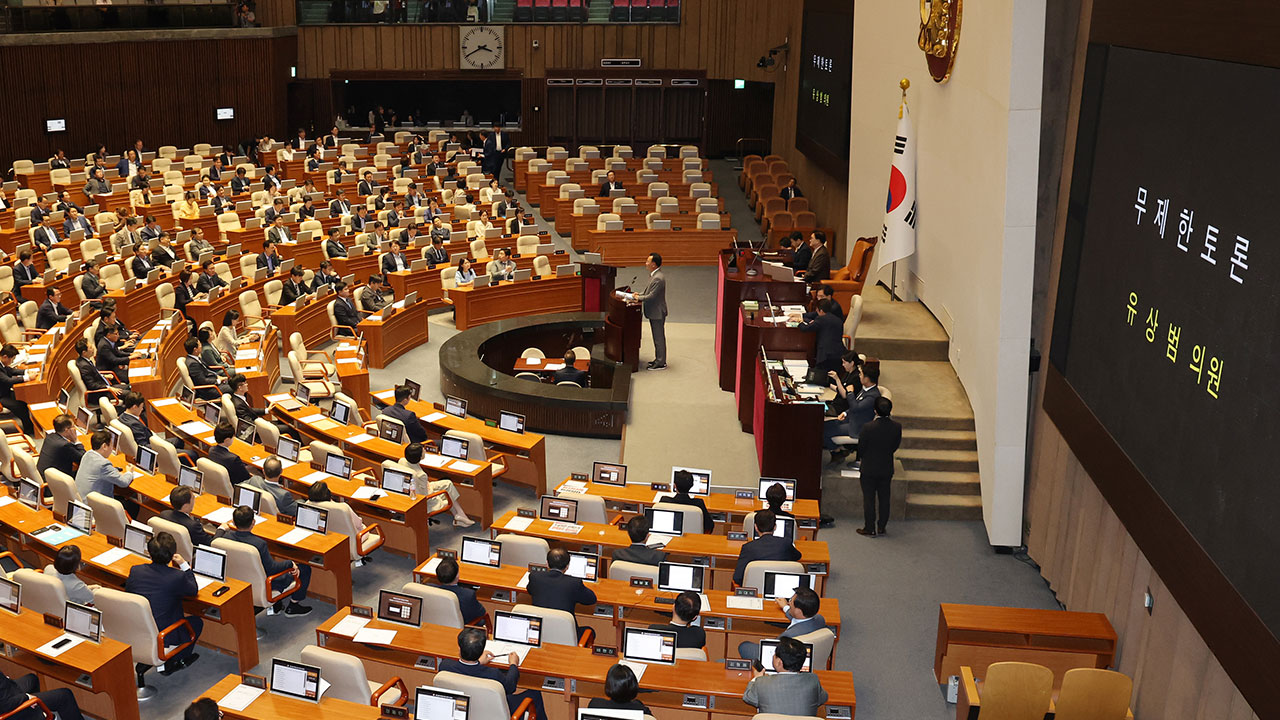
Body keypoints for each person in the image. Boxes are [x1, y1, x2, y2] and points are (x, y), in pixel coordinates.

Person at [125, 532, 203, 673]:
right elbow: (193, 590)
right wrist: (184, 565)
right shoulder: (176, 576)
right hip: (164, 635)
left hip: (138, 629)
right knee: (197, 622)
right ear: (173, 553)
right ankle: (175, 660)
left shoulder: (136, 571)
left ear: (150, 553)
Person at [216, 506, 313, 616]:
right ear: (253, 522)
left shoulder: (224, 539)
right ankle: (293, 606)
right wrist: (290, 563)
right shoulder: (259, 543)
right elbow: (272, 569)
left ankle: (277, 605)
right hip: (266, 583)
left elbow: (214, 541)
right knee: (304, 568)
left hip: (239, 581)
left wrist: (221, 529)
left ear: (233, 522)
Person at [439, 628, 547, 720]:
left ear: (459, 648)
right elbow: (510, 687)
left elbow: (466, 670)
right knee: (534, 693)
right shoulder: (493, 674)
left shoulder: (445, 666)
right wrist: (513, 664)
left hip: (462, 710)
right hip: (492, 711)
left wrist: (479, 662)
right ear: (482, 651)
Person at [742, 636, 828, 716]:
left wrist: (756, 678)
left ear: (779, 662)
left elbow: (748, 697)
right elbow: (823, 698)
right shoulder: (813, 680)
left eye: (774, 655)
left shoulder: (761, 682)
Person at [737, 586, 828, 661]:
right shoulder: (819, 619)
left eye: (791, 602)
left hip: (781, 657)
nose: (789, 602)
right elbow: (796, 617)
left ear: (799, 611)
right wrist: (785, 607)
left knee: (744, 646)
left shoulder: (788, 637)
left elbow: (773, 653)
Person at [856, 397, 902, 537]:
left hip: (869, 468)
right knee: (884, 498)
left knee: (869, 499)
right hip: (886, 467)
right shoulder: (896, 426)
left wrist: (862, 457)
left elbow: (861, 448)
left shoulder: (868, 427)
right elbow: (895, 446)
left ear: (875, 410)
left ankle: (869, 528)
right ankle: (882, 526)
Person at [400, 442, 476, 527]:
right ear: (420, 457)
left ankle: (460, 515)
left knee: (448, 483)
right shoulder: (422, 475)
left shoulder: (402, 461)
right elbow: (426, 495)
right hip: (425, 499)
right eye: (423, 451)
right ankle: (460, 516)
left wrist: (427, 485)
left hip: (416, 488)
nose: (425, 450)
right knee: (448, 493)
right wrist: (430, 487)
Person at [528, 548, 597, 636]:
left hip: (539, 631)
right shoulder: (574, 583)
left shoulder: (535, 577)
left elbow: (530, 590)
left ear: (547, 563)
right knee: (590, 631)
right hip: (566, 634)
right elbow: (591, 599)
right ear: (567, 566)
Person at [824, 364, 881, 463]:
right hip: (850, 419)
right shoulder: (866, 390)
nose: (859, 376)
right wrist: (845, 413)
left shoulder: (873, 396)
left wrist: (850, 393)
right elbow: (856, 406)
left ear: (867, 378)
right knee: (822, 426)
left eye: (861, 374)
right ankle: (839, 450)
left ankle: (836, 451)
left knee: (823, 432)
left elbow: (855, 407)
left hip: (857, 427)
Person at [732, 510, 802, 586]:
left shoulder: (748, 548)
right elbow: (798, 556)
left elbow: (737, 577)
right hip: (781, 590)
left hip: (755, 591)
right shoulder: (786, 543)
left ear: (756, 527)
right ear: (775, 527)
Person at [75, 429, 136, 514]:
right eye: (111, 445)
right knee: (133, 505)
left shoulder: (87, 454)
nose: (112, 449)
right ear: (104, 446)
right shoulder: (103, 464)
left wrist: (114, 470)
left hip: (81, 502)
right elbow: (124, 482)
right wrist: (129, 472)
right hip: (94, 508)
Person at [626, 253, 667, 370]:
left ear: (653, 264)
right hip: (655, 311)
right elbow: (648, 292)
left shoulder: (658, 278)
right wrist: (639, 294)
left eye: (648, 261)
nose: (646, 263)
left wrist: (638, 298)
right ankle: (658, 359)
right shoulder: (655, 275)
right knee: (657, 337)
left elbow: (652, 296)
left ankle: (661, 363)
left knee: (658, 338)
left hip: (657, 312)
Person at [0, 669, 86, 720]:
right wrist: (27, 697)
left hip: (7, 691)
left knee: (31, 679)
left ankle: (36, 710)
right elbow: (5, 705)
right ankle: (34, 713)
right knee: (64, 695)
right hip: (8, 708)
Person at [432, 556, 485, 624]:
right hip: (463, 629)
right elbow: (482, 613)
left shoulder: (429, 589)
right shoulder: (468, 595)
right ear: (457, 575)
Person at [798, 300, 844, 374]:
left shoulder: (821, 319)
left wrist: (800, 321)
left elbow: (805, 329)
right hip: (838, 354)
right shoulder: (838, 320)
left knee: (819, 376)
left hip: (825, 356)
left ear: (821, 311)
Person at [74, 338, 126, 404]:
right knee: (129, 394)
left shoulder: (84, 361)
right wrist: (108, 388)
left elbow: (93, 374)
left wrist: (104, 376)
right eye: (90, 347)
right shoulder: (84, 366)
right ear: (84, 352)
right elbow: (92, 385)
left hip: (104, 387)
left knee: (129, 387)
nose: (93, 348)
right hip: (100, 394)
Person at [38, 414, 85, 479]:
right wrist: (76, 440)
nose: (75, 429)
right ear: (67, 430)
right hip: (55, 481)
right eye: (73, 426)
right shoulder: (64, 445)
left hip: (43, 475)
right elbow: (83, 458)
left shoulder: (50, 436)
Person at [667, 469, 714, 533]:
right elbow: (709, 526)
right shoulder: (698, 504)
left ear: (675, 485)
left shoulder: (665, 501)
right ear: (691, 486)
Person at [0, 345, 32, 435]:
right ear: (5, 357)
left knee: (23, 400)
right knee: (19, 406)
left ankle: (30, 426)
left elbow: (10, 371)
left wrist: (26, 372)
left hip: (5, 392)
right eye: (12, 359)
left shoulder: (2, 364)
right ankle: (29, 431)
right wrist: (27, 378)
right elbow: (7, 381)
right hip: (1, 396)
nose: (12, 362)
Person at [208, 421, 252, 485]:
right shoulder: (234, 459)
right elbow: (246, 478)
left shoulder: (211, 450)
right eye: (233, 437)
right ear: (227, 440)